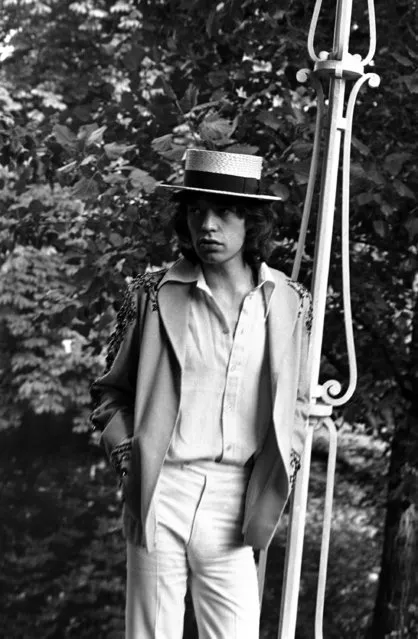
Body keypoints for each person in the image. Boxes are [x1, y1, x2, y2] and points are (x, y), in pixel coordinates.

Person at [90, 149, 312, 639]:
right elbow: (109, 394)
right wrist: (132, 463)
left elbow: (294, 404)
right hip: (160, 490)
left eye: (224, 212)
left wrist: (284, 468)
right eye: (196, 210)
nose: (207, 225)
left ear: (250, 221)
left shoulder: (289, 302)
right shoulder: (151, 293)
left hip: (237, 500)